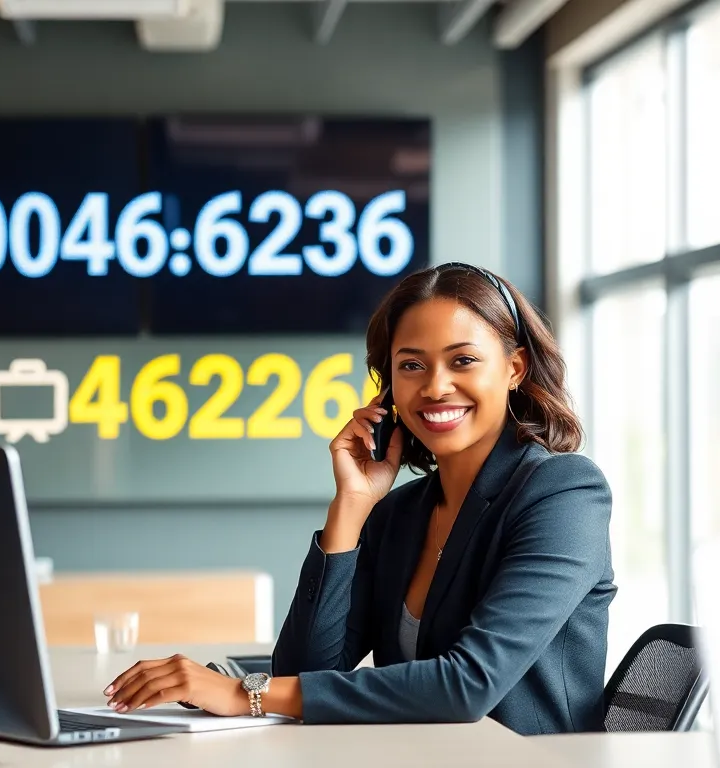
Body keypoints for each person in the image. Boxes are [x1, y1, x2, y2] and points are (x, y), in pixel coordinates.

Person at [102, 262, 616, 735]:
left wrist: (243, 693)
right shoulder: (400, 513)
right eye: (411, 366)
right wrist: (350, 507)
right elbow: (303, 671)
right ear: (387, 390)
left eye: (462, 360)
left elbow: (468, 685)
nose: (436, 387)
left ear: (515, 368)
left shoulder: (565, 493)